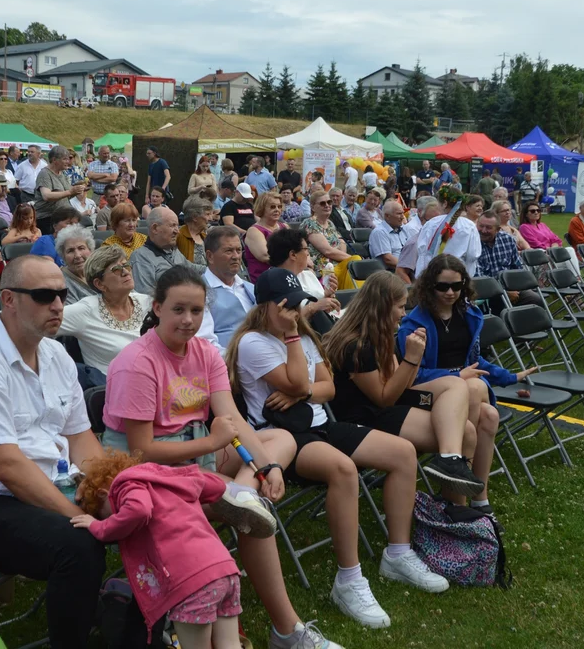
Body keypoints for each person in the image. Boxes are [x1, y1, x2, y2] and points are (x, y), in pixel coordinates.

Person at [102, 266, 348, 647]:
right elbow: (141, 451)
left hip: (200, 466)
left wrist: (267, 466)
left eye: (196, 311)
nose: (188, 320)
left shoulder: (204, 353)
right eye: (178, 310)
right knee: (252, 514)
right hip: (150, 479)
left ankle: (243, 495)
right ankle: (287, 629)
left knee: (278, 441)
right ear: (157, 308)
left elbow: (230, 419)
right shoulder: (138, 363)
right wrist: (210, 445)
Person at [226, 268, 450, 628]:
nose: (296, 312)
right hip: (283, 438)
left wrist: (303, 389)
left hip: (321, 424)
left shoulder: (303, 335)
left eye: (299, 305)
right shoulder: (255, 342)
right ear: (267, 306)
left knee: (402, 453)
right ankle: (348, 580)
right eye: (287, 306)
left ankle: (398, 553)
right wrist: (292, 340)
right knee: (343, 469)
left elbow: (325, 388)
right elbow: (299, 379)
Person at [0, 256, 109, 649]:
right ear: (8, 299)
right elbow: (8, 467)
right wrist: (84, 518)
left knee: (147, 510)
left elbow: (81, 439)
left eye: (61, 294)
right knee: (79, 545)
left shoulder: (58, 356)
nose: (59, 305)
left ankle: (136, 624)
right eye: (45, 295)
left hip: (53, 484)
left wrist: (112, 493)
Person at [71, 451, 270, 649]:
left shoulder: (125, 485)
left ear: (103, 494)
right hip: (225, 570)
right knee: (230, 645)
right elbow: (213, 484)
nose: (109, 520)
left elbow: (139, 509)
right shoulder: (167, 478)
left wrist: (99, 527)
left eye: (102, 514)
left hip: (192, 583)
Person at [323, 271, 483, 497]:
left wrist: (413, 358)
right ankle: (451, 497)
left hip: (387, 407)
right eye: (400, 307)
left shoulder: (382, 333)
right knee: (464, 432)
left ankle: (451, 473)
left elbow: (402, 383)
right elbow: (384, 397)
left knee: (455, 389)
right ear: (382, 307)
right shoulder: (355, 346)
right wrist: (412, 358)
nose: (403, 313)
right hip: (365, 418)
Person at [399, 255, 536, 514]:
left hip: (464, 392)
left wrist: (509, 376)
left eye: (457, 286)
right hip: (428, 394)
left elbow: (474, 361)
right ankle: (458, 500)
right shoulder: (414, 323)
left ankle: (476, 497)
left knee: (490, 413)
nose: (450, 292)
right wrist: (455, 376)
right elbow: (411, 375)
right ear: (429, 286)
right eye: (442, 286)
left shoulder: (470, 314)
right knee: (473, 389)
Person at [59, 245, 152, 383]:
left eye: (126, 265)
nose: (126, 272)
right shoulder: (86, 310)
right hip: (113, 390)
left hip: (156, 382)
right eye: (116, 269)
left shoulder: (148, 303)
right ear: (100, 284)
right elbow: (38, 323)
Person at [266, 228, 342, 333]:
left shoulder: (308, 275)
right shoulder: (272, 282)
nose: (308, 253)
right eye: (306, 249)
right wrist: (314, 307)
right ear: (293, 255)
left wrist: (328, 296)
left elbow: (321, 305)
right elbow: (280, 323)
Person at [199, 226, 256, 349]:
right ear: (210, 256)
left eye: (239, 250)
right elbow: (205, 343)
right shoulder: (199, 292)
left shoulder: (251, 288)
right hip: (227, 362)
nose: (236, 256)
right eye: (229, 251)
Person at [476, 211, 545, 310]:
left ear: (498, 229)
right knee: (500, 304)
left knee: (536, 300)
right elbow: (479, 278)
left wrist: (514, 288)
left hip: (511, 286)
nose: (483, 230)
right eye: (481, 226)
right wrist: (504, 292)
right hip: (487, 291)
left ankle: (532, 325)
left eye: (488, 228)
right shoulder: (472, 242)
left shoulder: (507, 239)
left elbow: (517, 268)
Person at [414, 187, 481, 278]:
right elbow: (472, 256)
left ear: (444, 204)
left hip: (433, 277)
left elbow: (423, 253)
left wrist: (421, 278)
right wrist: (467, 277)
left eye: (438, 203)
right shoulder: (469, 226)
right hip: (458, 277)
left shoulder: (431, 223)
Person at [302, 190, 361, 290]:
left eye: (329, 202)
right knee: (356, 261)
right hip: (323, 270)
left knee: (355, 264)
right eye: (322, 203)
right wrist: (350, 259)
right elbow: (328, 251)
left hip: (337, 266)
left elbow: (341, 242)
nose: (327, 205)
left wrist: (344, 262)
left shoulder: (330, 223)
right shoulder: (310, 223)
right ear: (312, 207)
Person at [130, 206, 190, 295]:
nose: (177, 231)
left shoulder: (172, 250)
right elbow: (145, 296)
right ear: (155, 228)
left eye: (177, 226)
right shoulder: (141, 257)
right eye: (172, 225)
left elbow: (192, 268)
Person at [35, 146, 86, 235]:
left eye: (69, 159)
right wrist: (70, 192)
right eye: (65, 159)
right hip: (48, 220)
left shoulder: (61, 173)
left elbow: (66, 194)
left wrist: (76, 189)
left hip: (63, 218)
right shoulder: (45, 174)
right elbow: (46, 196)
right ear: (54, 160)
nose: (68, 162)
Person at [244, 191, 287, 282]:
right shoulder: (254, 231)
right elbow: (266, 256)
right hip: (265, 280)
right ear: (262, 208)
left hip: (285, 275)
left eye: (279, 206)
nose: (277, 209)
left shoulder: (285, 226)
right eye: (272, 207)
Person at [56, 224, 96, 304]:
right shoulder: (61, 284)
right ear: (63, 256)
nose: (77, 255)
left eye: (81, 248)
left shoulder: (100, 271)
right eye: (70, 251)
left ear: (90, 250)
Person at [369, 199, 409, 269]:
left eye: (403, 213)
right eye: (399, 214)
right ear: (387, 216)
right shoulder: (380, 232)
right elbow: (388, 259)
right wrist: (410, 266)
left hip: (405, 268)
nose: (403, 217)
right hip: (391, 273)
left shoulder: (403, 229)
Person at [178, 197, 212, 266]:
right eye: (207, 214)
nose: (211, 219)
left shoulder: (205, 237)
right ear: (195, 217)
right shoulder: (178, 235)